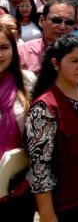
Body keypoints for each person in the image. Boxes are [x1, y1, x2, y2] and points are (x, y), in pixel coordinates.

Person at [25, 35, 78, 222]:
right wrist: (47, 214)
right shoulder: (45, 108)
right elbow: (39, 168)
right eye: (74, 61)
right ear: (55, 63)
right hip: (67, 204)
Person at [0, 25, 36, 221]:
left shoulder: (27, 81)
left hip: (18, 183)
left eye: (4, 47)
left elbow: (40, 136)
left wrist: (29, 178)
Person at [18, 0, 77, 75]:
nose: (63, 27)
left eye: (69, 22)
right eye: (56, 20)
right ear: (42, 21)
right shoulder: (22, 53)